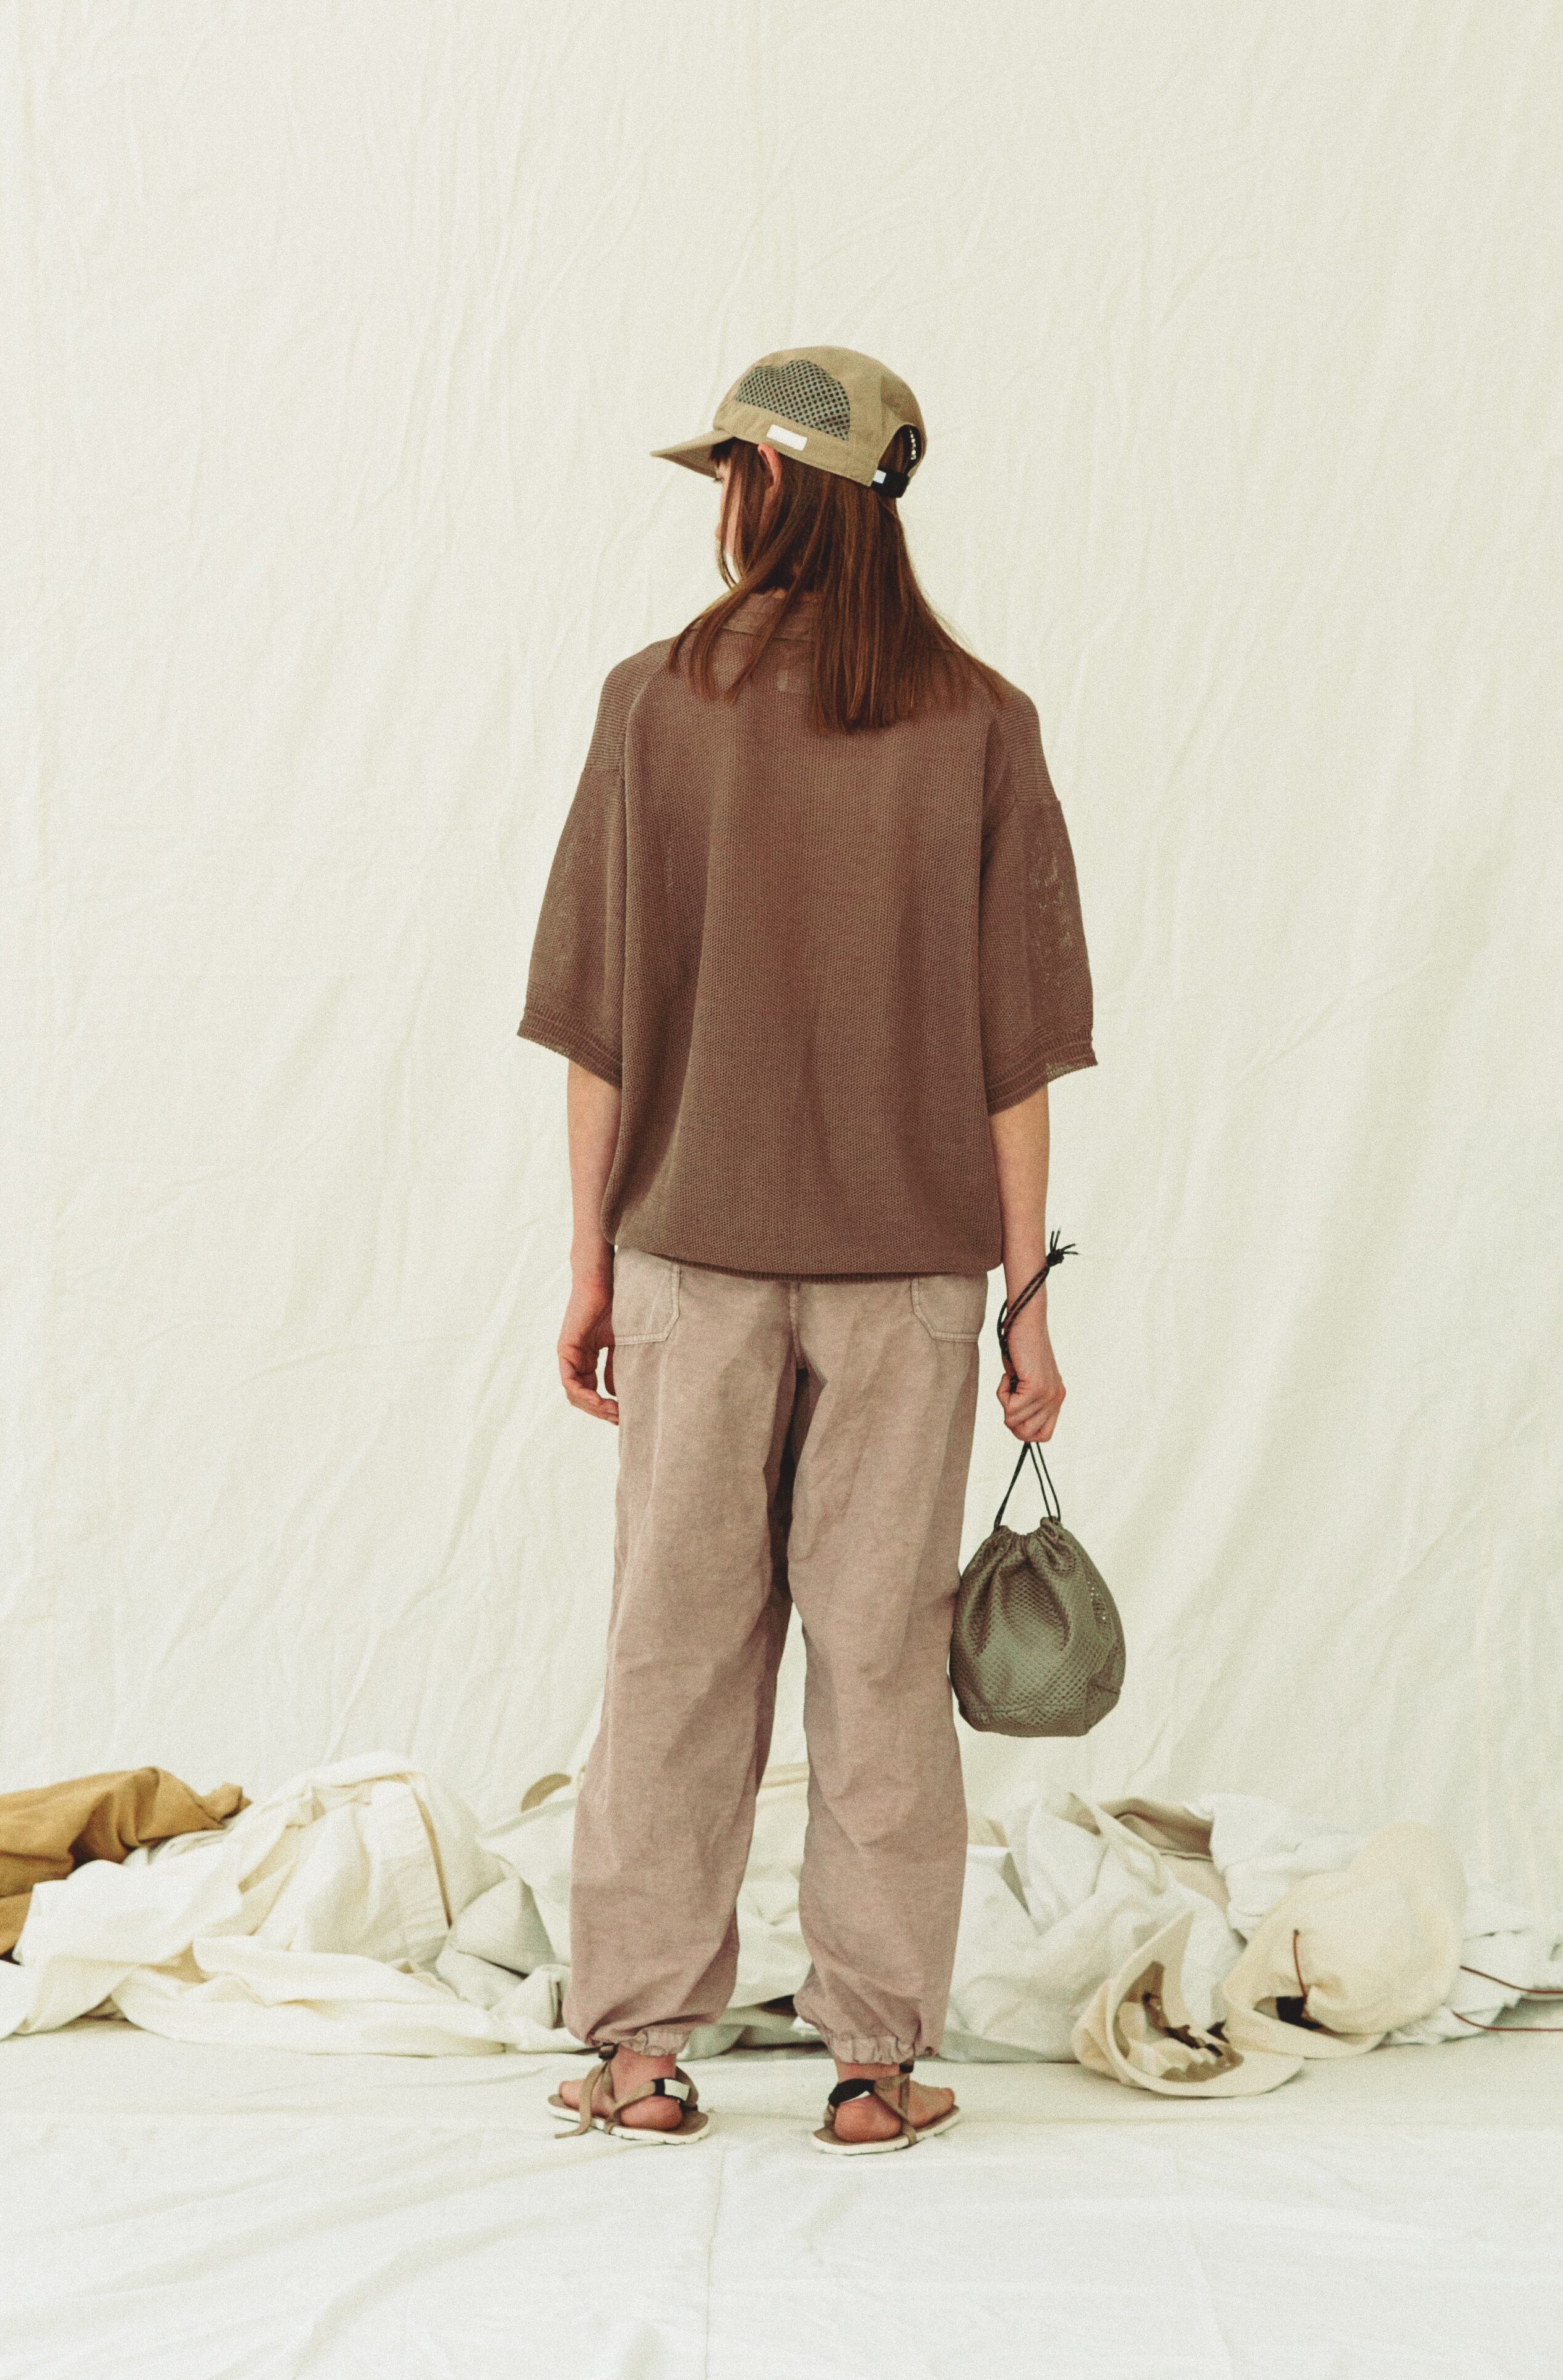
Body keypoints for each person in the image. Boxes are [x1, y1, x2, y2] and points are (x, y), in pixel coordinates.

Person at [517, 346, 1096, 2154]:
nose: (718, 502)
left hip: (688, 1258)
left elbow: (599, 1031)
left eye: (728, 474)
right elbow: (1018, 1060)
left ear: (769, 487)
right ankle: (876, 2063)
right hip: (915, 1282)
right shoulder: (984, 722)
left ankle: (638, 2052)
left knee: (672, 1655)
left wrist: (590, 1263)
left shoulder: (652, 706)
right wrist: (1025, 1305)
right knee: (881, 1662)